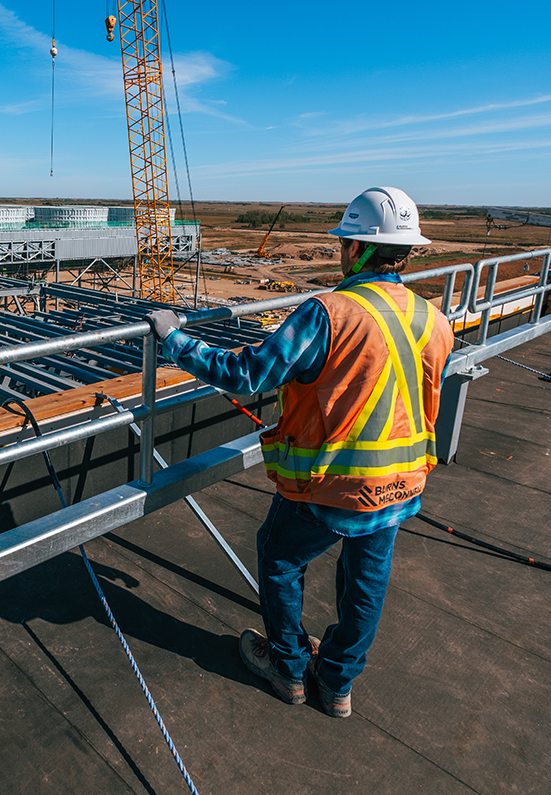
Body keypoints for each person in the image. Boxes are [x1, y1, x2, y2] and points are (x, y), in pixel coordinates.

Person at [147, 186, 453, 718]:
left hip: (332, 484)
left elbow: (248, 375)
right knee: (366, 583)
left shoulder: (328, 313)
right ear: (404, 252)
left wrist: (177, 340)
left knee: (280, 557)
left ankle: (287, 668)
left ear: (356, 250)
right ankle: (336, 684)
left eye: (343, 244)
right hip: (403, 482)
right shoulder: (433, 319)